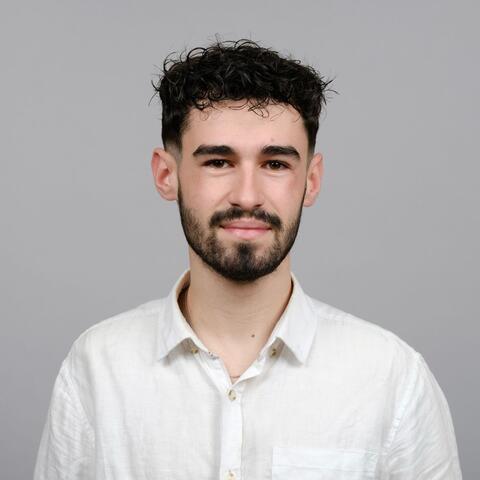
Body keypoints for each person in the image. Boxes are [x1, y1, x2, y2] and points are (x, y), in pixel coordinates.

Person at [34, 39, 462, 479]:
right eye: (218, 162)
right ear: (166, 175)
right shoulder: (97, 369)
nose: (247, 196)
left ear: (312, 180)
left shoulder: (392, 379)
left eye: (275, 164)